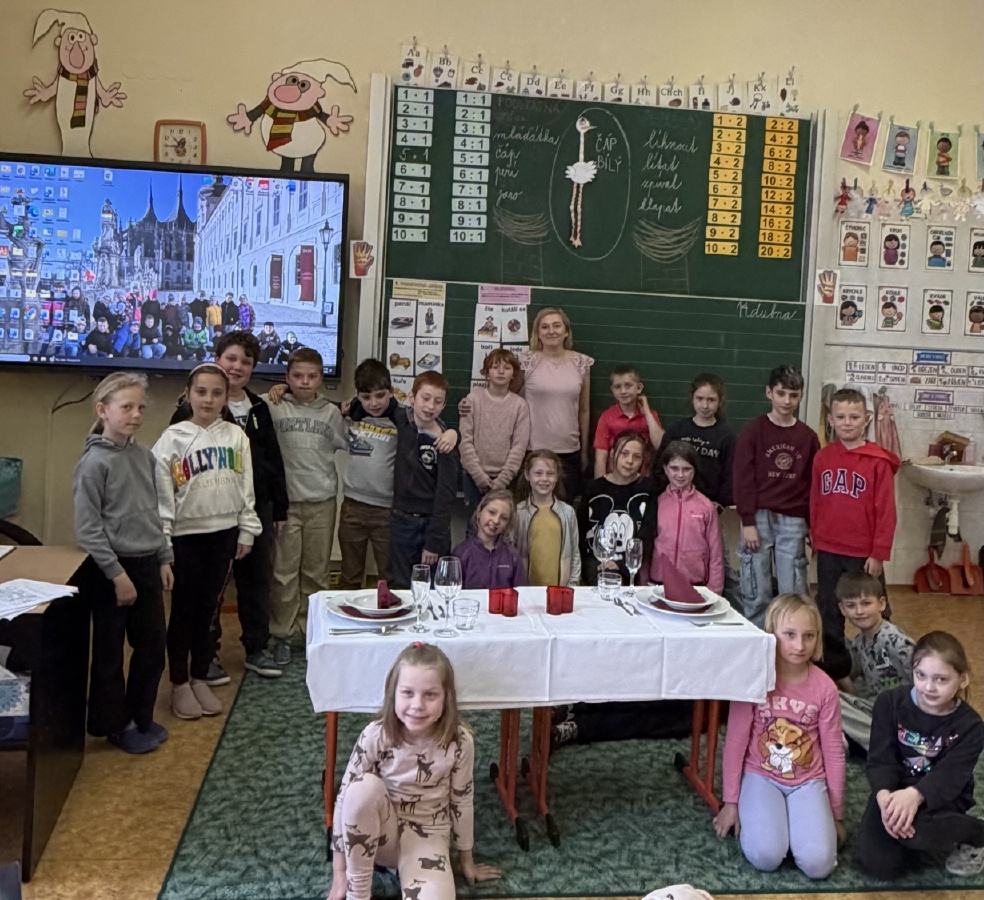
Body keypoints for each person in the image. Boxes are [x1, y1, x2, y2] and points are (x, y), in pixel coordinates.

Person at [328, 643, 501, 900]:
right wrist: (339, 873)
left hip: (428, 837)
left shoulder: (460, 742)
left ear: (446, 698)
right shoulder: (375, 734)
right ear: (393, 694)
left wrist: (467, 859)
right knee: (361, 788)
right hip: (379, 836)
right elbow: (344, 800)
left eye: (430, 695)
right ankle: (358, 893)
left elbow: (462, 800)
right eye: (407, 693)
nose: (417, 705)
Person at [170, 332, 289, 682]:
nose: (237, 367)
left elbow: (273, 461)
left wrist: (279, 509)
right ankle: (206, 654)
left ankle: (256, 647)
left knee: (256, 583)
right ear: (217, 359)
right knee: (210, 588)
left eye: (246, 362)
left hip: (256, 509)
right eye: (231, 359)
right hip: (212, 514)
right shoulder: (189, 410)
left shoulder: (259, 408)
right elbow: (177, 466)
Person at [152, 364, 262, 720]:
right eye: (201, 392)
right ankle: (179, 683)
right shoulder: (172, 439)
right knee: (183, 612)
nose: (208, 399)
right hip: (185, 538)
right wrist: (164, 543)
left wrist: (247, 529)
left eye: (217, 393)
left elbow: (247, 487)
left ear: (226, 397)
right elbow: (161, 497)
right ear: (188, 394)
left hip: (224, 534)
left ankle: (200, 677)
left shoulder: (236, 436)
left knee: (209, 612)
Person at [72, 372, 172, 754]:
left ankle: (141, 716)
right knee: (110, 653)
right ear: (103, 410)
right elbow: (88, 528)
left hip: (147, 564)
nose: (136, 415)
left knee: (151, 646)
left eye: (141, 407)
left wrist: (163, 557)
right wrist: (117, 575)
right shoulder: (93, 463)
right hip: (111, 571)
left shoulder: (144, 457)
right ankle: (114, 724)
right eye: (126, 407)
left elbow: (152, 512)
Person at [713, 593, 845, 879]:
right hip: (761, 775)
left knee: (819, 865)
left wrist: (835, 814)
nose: (799, 645)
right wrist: (730, 802)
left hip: (808, 780)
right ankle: (777, 825)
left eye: (809, 636)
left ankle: (798, 829)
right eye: (790, 634)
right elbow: (735, 742)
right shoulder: (754, 679)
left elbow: (834, 751)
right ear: (771, 633)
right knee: (766, 856)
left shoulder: (825, 688)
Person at [855, 632, 984, 879]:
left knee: (917, 832)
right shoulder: (889, 703)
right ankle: (915, 835)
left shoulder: (971, 726)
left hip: (940, 796)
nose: (928, 687)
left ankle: (977, 833)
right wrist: (885, 799)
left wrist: (915, 796)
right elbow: (881, 759)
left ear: (963, 679)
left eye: (941, 679)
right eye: (921, 675)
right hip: (894, 790)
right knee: (879, 866)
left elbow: (950, 778)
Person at [263, 348, 347, 665]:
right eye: (297, 376)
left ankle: (311, 631)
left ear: (321, 379)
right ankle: (282, 635)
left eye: (312, 376)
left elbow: (354, 438)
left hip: (321, 503)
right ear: (286, 377)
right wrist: (278, 390)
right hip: (286, 505)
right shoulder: (272, 405)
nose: (304, 382)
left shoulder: (332, 413)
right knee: (283, 574)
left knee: (316, 573)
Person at [463, 308, 593, 501]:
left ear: (566, 331)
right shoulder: (526, 362)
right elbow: (503, 396)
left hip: (568, 451)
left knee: (561, 510)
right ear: (537, 333)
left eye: (557, 326)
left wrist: (584, 451)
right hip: (532, 450)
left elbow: (584, 410)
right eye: (545, 327)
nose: (551, 331)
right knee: (527, 511)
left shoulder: (581, 363)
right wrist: (469, 405)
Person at [811, 387, 899, 663]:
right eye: (841, 417)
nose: (847, 423)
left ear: (866, 419)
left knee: (874, 609)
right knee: (829, 609)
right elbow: (815, 501)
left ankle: (884, 663)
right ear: (831, 420)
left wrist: (879, 553)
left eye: (854, 417)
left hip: (863, 553)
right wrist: (816, 539)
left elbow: (886, 511)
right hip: (829, 549)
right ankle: (835, 669)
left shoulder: (878, 462)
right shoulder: (822, 458)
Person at [733, 365, 819, 627]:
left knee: (793, 588)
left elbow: (812, 484)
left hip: (793, 520)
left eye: (793, 395)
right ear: (769, 393)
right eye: (781, 393)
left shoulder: (808, 437)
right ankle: (758, 639)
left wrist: (811, 523)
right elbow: (742, 478)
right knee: (755, 586)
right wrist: (748, 521)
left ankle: (791, 638)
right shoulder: (753, 431)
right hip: (758, 518)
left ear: (801, 396)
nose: (786, 401)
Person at [389, 371, 460, 588]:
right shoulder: (401, 419)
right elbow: (373, 397)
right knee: (401, 587)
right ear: (412, 397)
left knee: (432, 587)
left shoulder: (445, 444)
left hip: (432, 525)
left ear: (444, 405)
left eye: (437, 402)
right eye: (425, 398)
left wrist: (434, 541)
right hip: (401, 520)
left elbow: (445, 495)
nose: (430, 406)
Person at [836, 572, 914, 754]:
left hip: (906, 714)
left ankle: (891, 746)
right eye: (851, 605)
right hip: (879, 709)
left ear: (881, 604)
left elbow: (925, 677)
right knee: (830, 699)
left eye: (866, 603)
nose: (859, 611)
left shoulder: (895, 640)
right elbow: (847, 675)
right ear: (842, 609)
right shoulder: (859, 642)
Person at [458, 348, 530, 529]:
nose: (500, 371)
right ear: (486, 372)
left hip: (506, 479)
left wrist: (502, 480)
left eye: (507, 367)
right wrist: (479, 476)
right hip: (474, 478)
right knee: (475, 527)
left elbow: (519, 446)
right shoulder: (472, 400)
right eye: (495, 367)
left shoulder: (520, 406)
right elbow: (465, 441)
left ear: (513, 374)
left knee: (502, 528)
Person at [579, 430, 656, 585]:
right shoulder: (594, 489)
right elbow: (581, 532)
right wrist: (590, 566)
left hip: (631, 570)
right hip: (595, 568)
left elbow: (647, 535)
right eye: (624, 454)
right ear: (613, 454)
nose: (630, 461)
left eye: (637, 456)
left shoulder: (648, 489)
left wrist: (622, 564)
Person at [648, 439, 723, 593]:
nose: (680, 475)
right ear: (665, 468)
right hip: (658, 583)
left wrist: (715, 592)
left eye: (686, 469)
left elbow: (716, 553)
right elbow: (647, 546)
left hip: (695, 586)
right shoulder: (656, 503)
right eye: (674, 468)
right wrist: (642, 583)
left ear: (694, 470)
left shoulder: (706, 506)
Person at [658, 373, 735, 507]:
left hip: (710, 505)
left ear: (720, 401)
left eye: (711, 400)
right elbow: (660, 465)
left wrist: (720, 503)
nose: (705, 405)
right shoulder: (677, 431)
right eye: (700, 398)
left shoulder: (727, 436)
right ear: (692, 398)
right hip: (674, 502)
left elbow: (731, 475)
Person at [514, 449, 581, 587]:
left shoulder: (568, 513)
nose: (544, 479)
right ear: (527, 475)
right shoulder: (518, 513)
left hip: (559, 591)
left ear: (557, 477)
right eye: (538, 473)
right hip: (527, 591)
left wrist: (572, 586)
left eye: (550, 474)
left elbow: (574, 554)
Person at [592, 364, 663, 478]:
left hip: (642, 478)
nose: (623, 391)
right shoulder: (606, 417)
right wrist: (600, 485)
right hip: (615, 478)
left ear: (639, 388)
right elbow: (601, 455)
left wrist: (646, 410)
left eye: (628, 385)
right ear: (612, 390)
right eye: (617, 387)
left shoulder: (650, 415)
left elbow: (660, 444)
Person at [452, 489, 525, 589]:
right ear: (479, 512)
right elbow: (452, 593)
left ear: (508, 524)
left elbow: (522, 593)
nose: (496, 520)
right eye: (492, 512)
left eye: (504, 518)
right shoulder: (461, 553)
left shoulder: (513, 556)